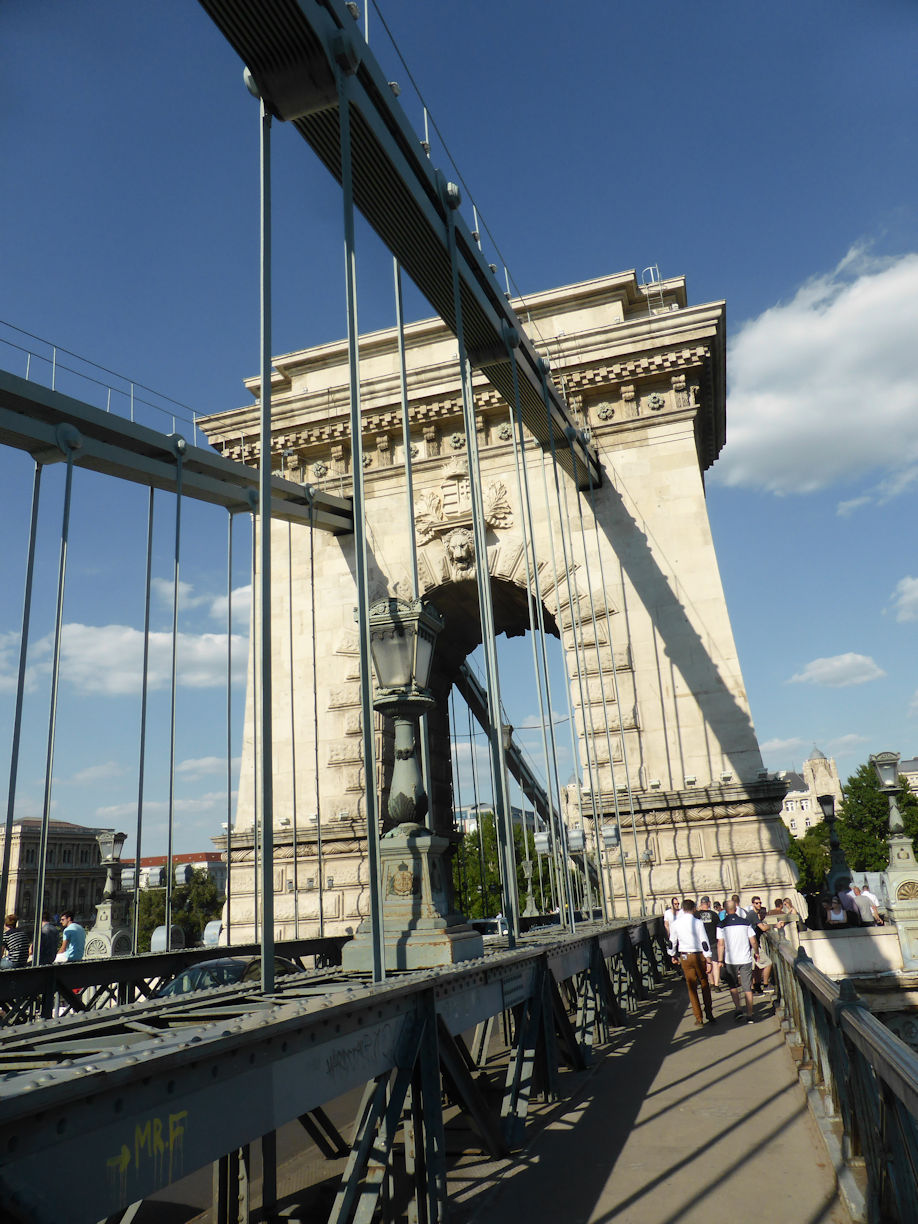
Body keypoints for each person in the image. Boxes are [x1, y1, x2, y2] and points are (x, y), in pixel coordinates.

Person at [669, 898, 716, 1026]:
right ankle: (709, 1012)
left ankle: (698, 1017)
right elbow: (704, 941)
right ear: (694, 909)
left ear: (683, 909)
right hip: (698, 955)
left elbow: (672, 941)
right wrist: (708, 959)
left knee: (691, 987)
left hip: (685, 956)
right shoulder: (698, 922)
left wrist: (672, 955)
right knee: (704, 983)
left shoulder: (676, 924)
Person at [717, 899, 758, 1023]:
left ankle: (738, 1009)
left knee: (733, 985)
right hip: (745, 958)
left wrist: (720, 960)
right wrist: (756, 952)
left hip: (731, 959)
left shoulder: (721, 925)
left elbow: (720, 944)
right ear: (736, 909)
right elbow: (753, 941)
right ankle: (750, 1014)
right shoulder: (745, 922)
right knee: (747, 987)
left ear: (725, 910)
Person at [696, 896, 721, 989]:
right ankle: (717, 984)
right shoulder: (714, 914)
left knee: (708, 962)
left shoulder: (697, 915)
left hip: (702, 943)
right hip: (713, 940)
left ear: (701, 904)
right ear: (709, 903)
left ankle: (711, 981)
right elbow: (719, 928)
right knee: (715, 962)